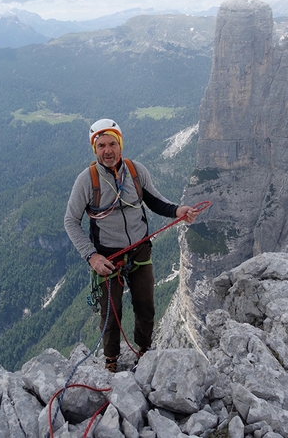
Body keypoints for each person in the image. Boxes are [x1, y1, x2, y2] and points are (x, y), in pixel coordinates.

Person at [64, 118, 199, 372]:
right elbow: (71, 221)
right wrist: (92, 257)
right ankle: (111, 362)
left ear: (120, 144)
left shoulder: (136, 172)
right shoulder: (88, 180)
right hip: (106, 257)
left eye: (112, 143)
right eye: (101, 145)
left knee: (146, 306)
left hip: (139, 251)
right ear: (95, 149)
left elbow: (156, 202)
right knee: (111, 315)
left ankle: (145, 353)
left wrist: (179, 210)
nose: (107, 150)